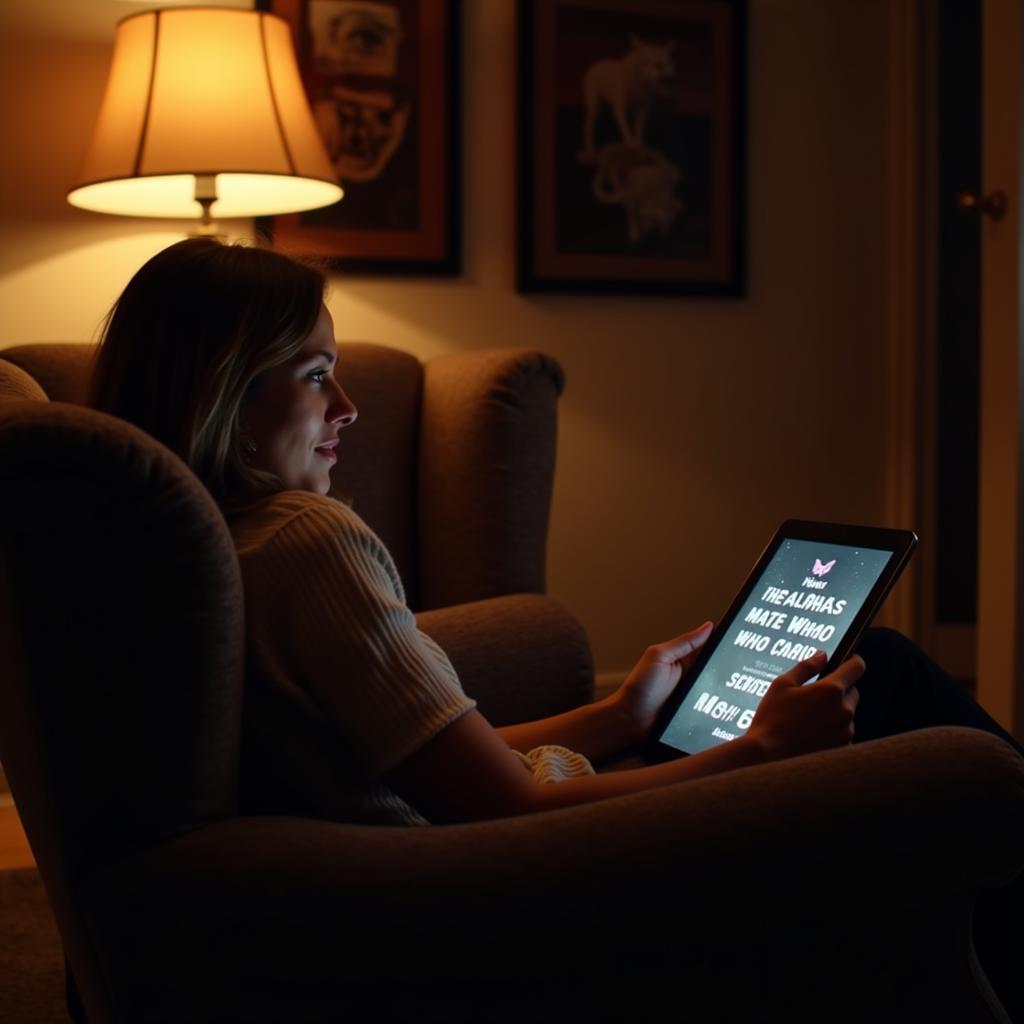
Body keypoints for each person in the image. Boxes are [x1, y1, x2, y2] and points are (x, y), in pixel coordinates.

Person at [90, 237, 1023, 1013]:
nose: (348, 408)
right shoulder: (308, 541)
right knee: (891, 675)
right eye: (316, 375)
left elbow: (440, 763)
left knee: (837, 683)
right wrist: (761, 757)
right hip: (528, 893)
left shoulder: (209, 547)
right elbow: (507, 812)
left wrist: (624, 714)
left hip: (467, 866)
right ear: (225, 389)